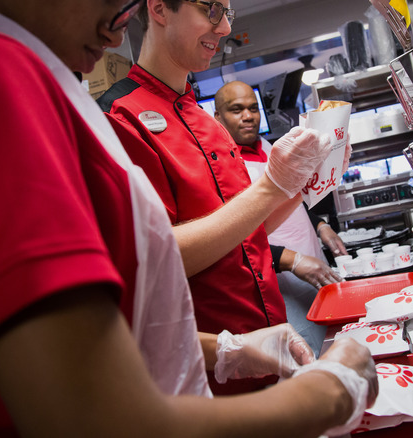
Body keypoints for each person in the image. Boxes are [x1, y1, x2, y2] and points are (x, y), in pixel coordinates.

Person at [0, 0, 378, 437]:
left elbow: (114, 305)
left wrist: (226, 349)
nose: (118, 29)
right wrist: (331, 393)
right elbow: (95, 421)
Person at [97, 0, 352, 394]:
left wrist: (303, 179)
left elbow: (250, 231)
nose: (223, 29)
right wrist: (272, 185)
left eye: (227, 13)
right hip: (213, 370)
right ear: (160, 8)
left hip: (271, 345)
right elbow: (157, 259)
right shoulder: (119, 117)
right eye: (211, 9)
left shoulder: (205, 123)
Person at [214, 80, 350, 355]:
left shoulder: (270, 148)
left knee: (335, 344)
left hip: (313, 263)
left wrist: (320, 225)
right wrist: (291, 260)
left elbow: (292, 195)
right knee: (305, 353)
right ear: (218, 118)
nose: (248, 116)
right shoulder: (219, 167)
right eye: (236, 109)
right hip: (279, 279)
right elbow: (234, 237)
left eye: (253, 108)